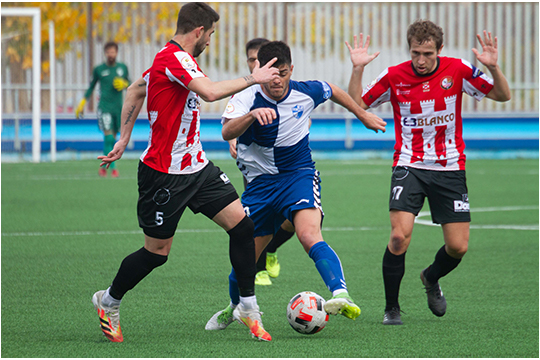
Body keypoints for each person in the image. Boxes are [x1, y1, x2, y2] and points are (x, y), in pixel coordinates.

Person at [92, 2, 280, 342]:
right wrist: (255, 77)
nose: (210, 40)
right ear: (198, 31)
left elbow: (136, 89)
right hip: (163, 174)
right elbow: (208, 93)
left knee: (243, 227)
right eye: (210, 34)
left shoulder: (178, 61)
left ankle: (248, 308)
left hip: (197, 167)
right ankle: (108, 301)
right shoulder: (173, 58)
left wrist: (123, 138)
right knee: (156, 253)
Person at [205, 41, 387, 332]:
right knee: (244, 259)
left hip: (297, 176)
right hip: (260, 185)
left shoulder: (304, 91)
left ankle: (340, 294)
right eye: (271, 74)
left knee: (308, 233)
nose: (277, 80)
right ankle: (234, 307)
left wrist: (362, 115)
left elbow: (333, 89)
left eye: (284, 73)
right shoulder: (246, 96)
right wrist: (251, 116)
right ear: (259, 70)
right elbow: (226, 130)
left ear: (292, 70)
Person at [346, 21, 511, 325]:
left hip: (450, 166)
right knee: (398, 237)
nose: (420, 60)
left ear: (439, 50)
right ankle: (392, 308)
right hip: (409, 164)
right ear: (409, 49)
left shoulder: (458, 70)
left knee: (458, 247)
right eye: (415, 53)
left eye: (427, 53)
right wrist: (357, 69)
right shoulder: (395, 75)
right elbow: (357, 103)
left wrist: (494, 68)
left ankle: (430, 277)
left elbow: (502, 96)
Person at [229, 38, 297, 287]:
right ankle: (256, 270)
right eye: (251, 59)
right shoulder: (244, 91)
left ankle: (270, 250)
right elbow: (231, 123)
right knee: (256, 220)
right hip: (256, 166)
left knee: (291, 219)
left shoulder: (284, 87)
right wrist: (232, 141)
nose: (256, 64)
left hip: (287, 166)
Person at [75, 41, 130, 178]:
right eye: (108, 52)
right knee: (108, 137)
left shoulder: (122, 68)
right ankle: (113, 167)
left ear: (116, 53)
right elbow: (91, 86)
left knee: (114, 139)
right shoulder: (99, 69)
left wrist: (125, 84)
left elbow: (131, 85)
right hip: (104, 107)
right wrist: (83, 102)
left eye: (113, 52)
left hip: (118, 109)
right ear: (105, 53)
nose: (111, 54)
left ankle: (105, 167)